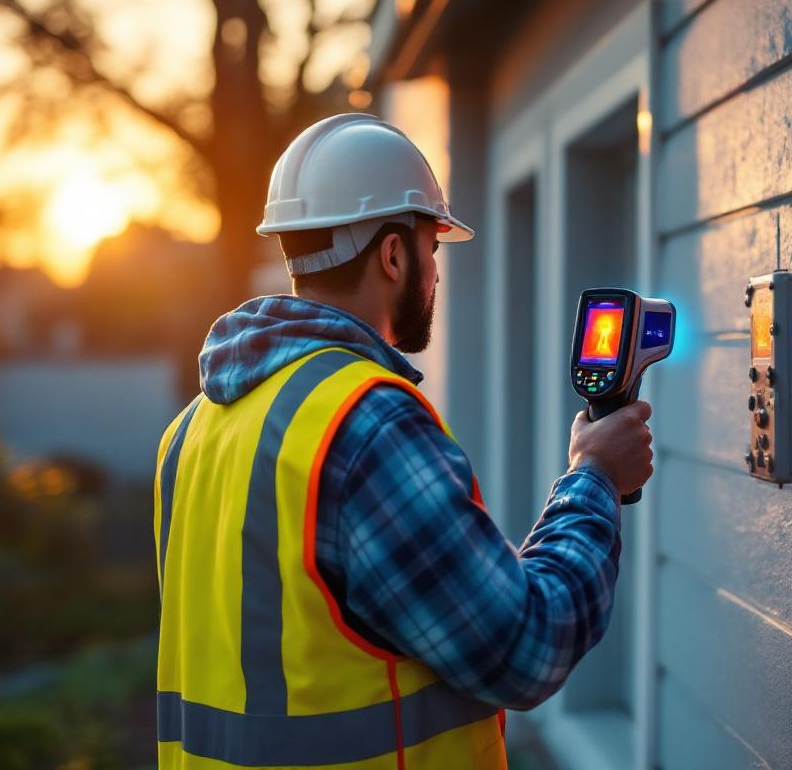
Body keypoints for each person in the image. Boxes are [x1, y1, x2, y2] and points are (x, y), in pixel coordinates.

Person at [153, 113, 654, 769]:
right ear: (393, 255)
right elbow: (525, 648)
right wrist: (595, 477)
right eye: (431, 249)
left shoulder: (190, 431)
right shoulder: (365, 424)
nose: (436, 274)